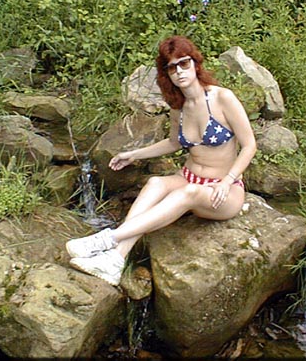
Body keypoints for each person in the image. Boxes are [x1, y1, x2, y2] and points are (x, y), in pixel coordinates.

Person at [66, 35, 257, 285]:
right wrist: (133, 154)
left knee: (187, 193)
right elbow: (174, 142)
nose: (179, 71)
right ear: (166, 74)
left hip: (223, 190)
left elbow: (250, 145)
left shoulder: (222, 98)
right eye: (172, 67)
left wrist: (227, 181)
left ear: (195, 64)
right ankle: (116, 260)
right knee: (156, 182)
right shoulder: (179, 106)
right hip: (188, 176)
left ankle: (108, 239)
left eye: (184, 63)